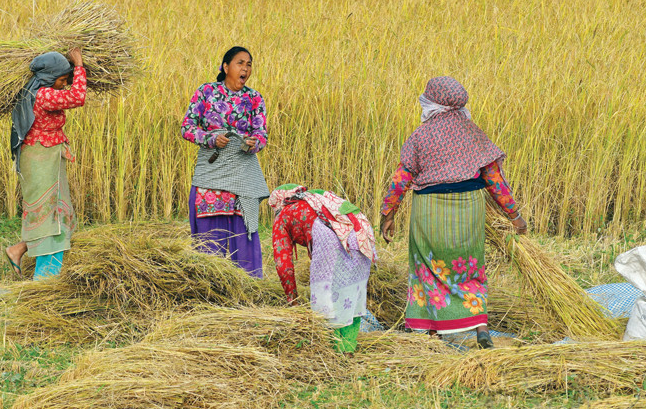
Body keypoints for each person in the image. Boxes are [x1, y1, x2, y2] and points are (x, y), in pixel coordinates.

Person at [379, 76, 526, 349]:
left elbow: (402, 178)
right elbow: (495, 179)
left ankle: (433, 334)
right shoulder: (473, 133)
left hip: (429, 211)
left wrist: (388, 213)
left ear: (431, 102)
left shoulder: (420, 136)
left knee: (427, 268)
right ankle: (481, 327)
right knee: (469, 267)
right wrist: (514, 216)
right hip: (468, 209)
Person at [181, 47, 269, 277]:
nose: (246, 69)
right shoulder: (206, 92)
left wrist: (253, 143)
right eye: (240, 63)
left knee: (243, 229)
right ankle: (211, 282)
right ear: (226, 67)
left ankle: (247, 284)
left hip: (242, 174)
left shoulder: (254, 98)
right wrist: (210, 138)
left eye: (249, 64)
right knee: (210, 232)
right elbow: (187, 128)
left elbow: (262, 134)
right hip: (211, 173)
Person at [4, 48, 86, 279]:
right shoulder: (43, 95)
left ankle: (19, 250)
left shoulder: (35, 91)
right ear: (48, 78)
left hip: (46, 156)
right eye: (61, 80)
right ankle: (46, 279)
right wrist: (79, 66)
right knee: (50, 215)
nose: (63, 84)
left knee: (53, 212)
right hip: (40, 158)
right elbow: (77, 97)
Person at [269, 184, 377, 355]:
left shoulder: (284, 213)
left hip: (331, 237)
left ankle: (331, 351)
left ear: (278, 202)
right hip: (361, 231)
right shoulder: (318, 198)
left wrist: (293, 300)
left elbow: (283, 263)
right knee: (351, 295)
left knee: (327, 298)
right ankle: (347, 350)